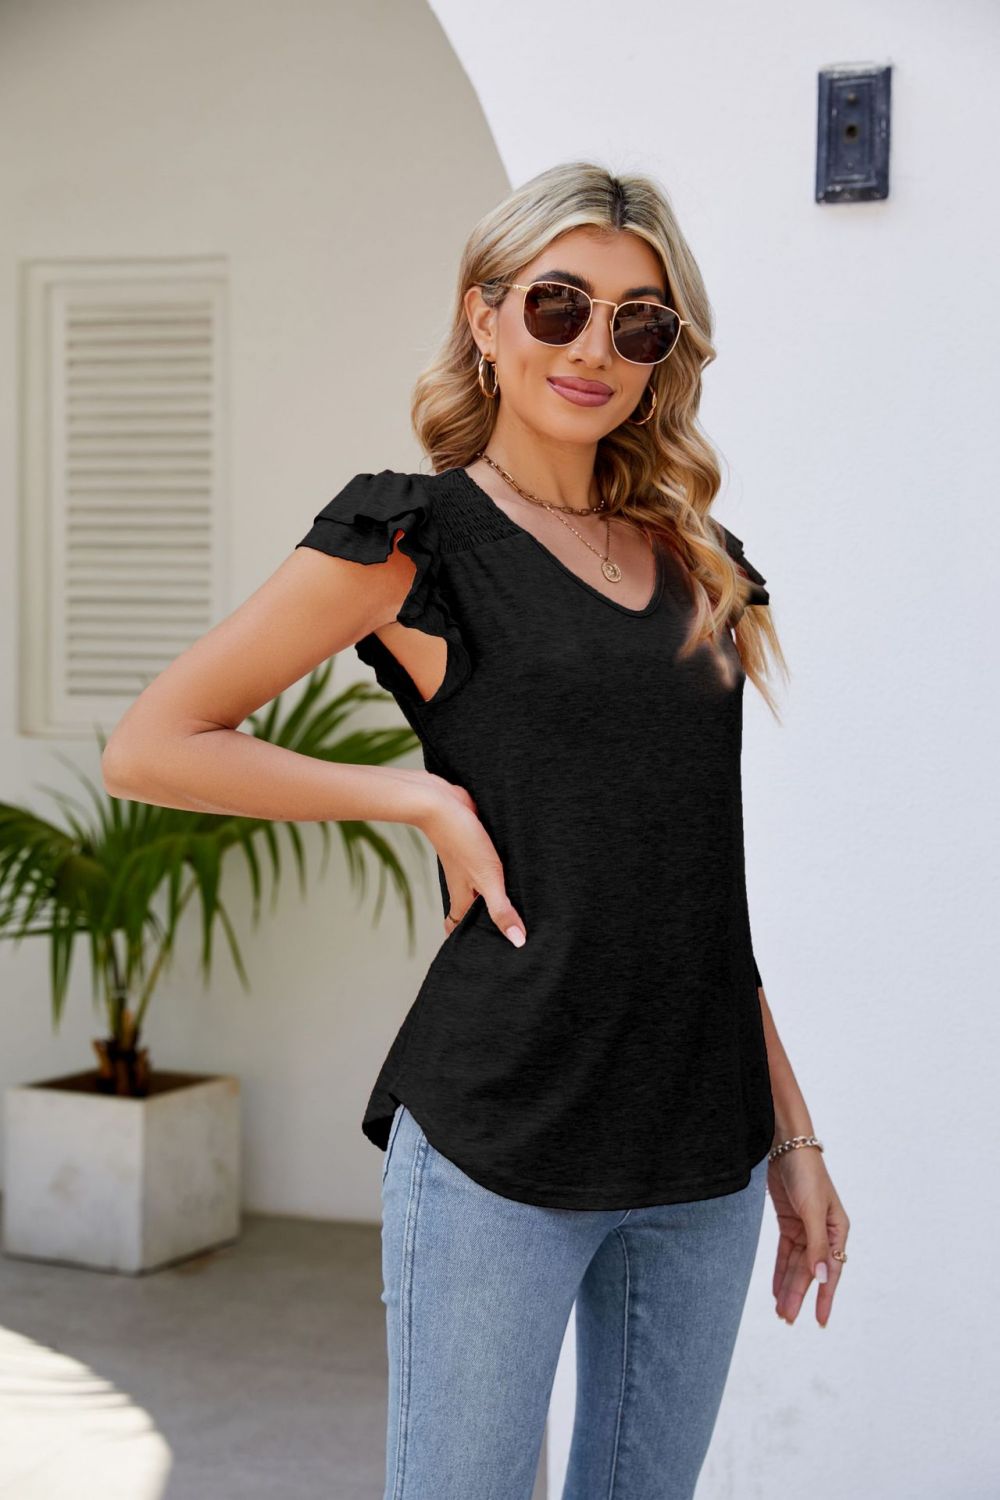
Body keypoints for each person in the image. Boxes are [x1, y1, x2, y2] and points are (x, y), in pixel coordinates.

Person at [103, 160, 851, 1500]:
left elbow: (698, 888)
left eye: (638, 322)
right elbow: (152, 742)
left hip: (706, 1148)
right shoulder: (415, 538)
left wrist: (791, 1134)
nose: (593, 349)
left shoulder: (699, 561)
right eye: (559, 305)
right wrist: (414, 795)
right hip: (504, 1135)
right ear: (485, 315)